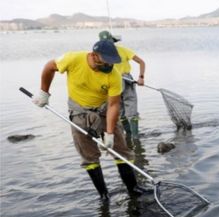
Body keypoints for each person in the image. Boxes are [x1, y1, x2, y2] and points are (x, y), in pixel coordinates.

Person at [32, 39, 144, 201]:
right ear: (94, 56)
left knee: (121, 150)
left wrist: (110, 133)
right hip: (79, 112)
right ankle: (103, 195)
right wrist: (44, 93)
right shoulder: (73, 59)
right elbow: (50, 67)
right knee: (88, 155)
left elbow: (113, 106)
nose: (109, 66)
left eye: (112, 62)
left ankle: (133, 189)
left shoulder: (114, 76)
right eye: (106, 62)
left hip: (104, 110)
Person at [99, 30, 146, 142]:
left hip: (126, 81)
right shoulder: (100, 55)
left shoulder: (123, 50)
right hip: (112, 83)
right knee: (119, 110)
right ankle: (128, 134)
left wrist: (141, 77)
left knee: (132, 110)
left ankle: (135, 138)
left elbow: (141, 62)